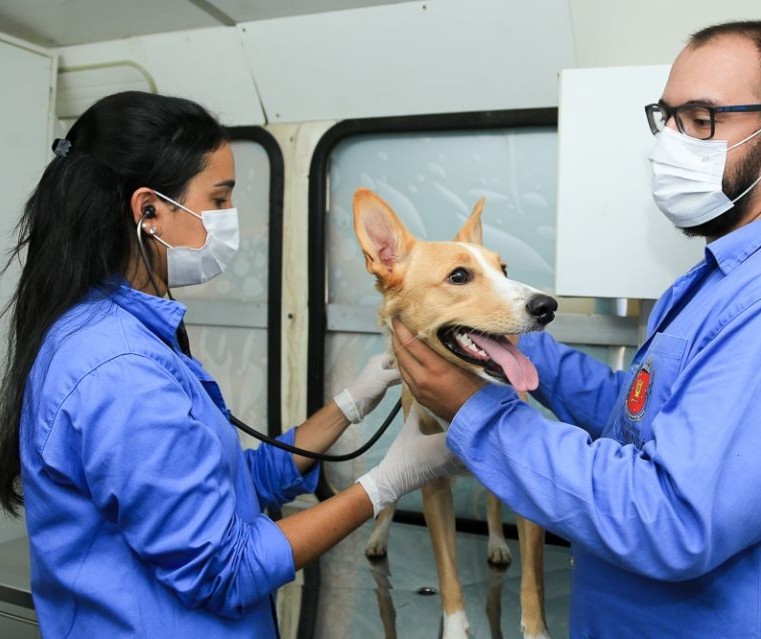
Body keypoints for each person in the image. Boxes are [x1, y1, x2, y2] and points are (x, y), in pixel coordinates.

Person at [0, 91, 461, 638]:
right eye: (219, 200)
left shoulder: (118, 330)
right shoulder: (119, 369)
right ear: (149, 211)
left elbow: (225, 486)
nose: (229, 221)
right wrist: (385, 482)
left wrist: (348, 405)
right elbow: (226, 568)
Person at [392, 20, 761, 639]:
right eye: (666, 118)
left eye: (701, 120)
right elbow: (637, 414)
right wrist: (503, 340)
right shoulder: (711, 282)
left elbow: (671, 520)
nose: (670, 143)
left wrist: (477, 411)